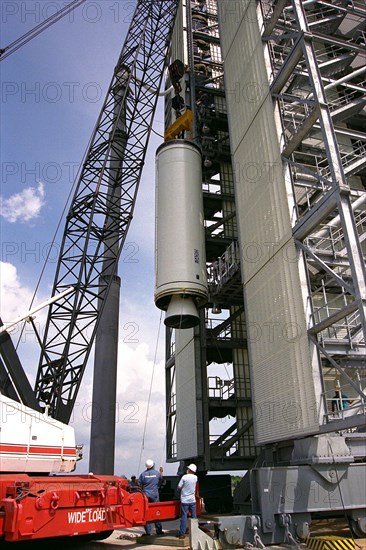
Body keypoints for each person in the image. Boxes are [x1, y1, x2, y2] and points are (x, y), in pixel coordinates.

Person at [138, 459, 164, 536]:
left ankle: (148, 532)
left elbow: (139, 484)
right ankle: (158, 530)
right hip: (154, 495)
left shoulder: (143, 474)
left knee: (146, 513)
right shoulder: (157, 473)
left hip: (146, 495)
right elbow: (161, 480)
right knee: (157, 512)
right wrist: (161, 472)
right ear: (153, 465)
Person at [177, 464, 198, 539]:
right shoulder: (195, 477)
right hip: (192, 500)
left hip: (185, 500)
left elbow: (179, 487)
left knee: (184, 516)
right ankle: (196, 532)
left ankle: (182, 533)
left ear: (189, 470)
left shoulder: (184, 477)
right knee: (194, 516)